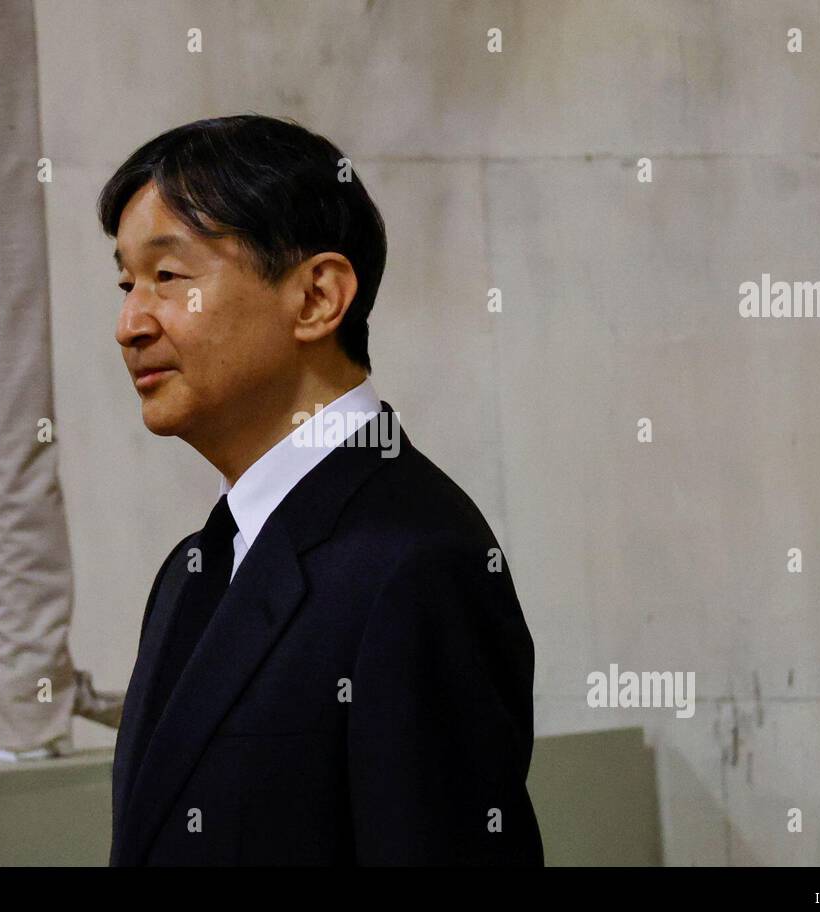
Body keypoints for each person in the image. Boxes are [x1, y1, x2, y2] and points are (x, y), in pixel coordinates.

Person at [101, 114, 543, 865]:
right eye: (124, 281)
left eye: (168, 278)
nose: (129, 324)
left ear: (316, 298)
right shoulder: (194, 568)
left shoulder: (413, 564)